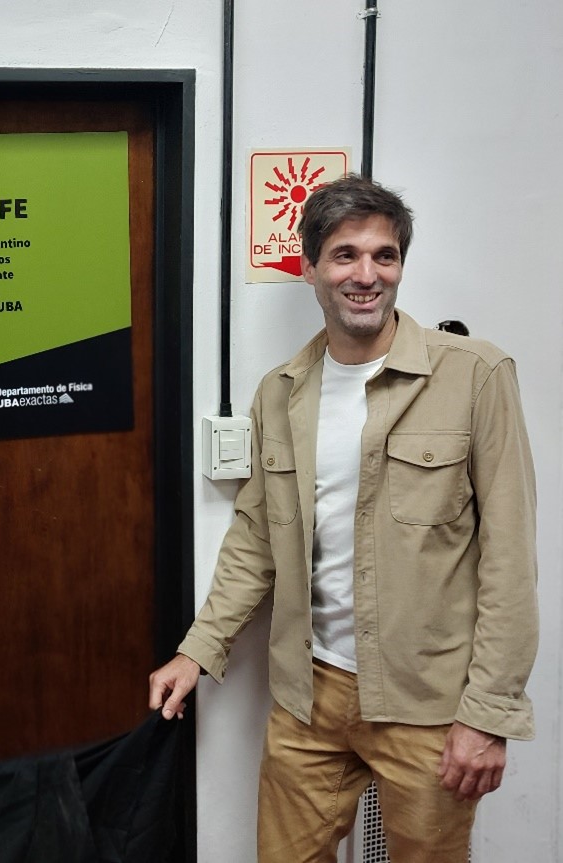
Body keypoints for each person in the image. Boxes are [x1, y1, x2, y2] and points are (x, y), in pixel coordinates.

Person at [147, 174, 538, 861]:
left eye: (384, 255)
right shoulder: (281, 392)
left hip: (428, 702)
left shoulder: (475, 375)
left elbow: (510, 561)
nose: (366, 275)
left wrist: (488, 714)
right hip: (309, 696)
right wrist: (197, 648)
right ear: (310, 269)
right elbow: (256, 539)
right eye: (345, 255)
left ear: (400, 266)